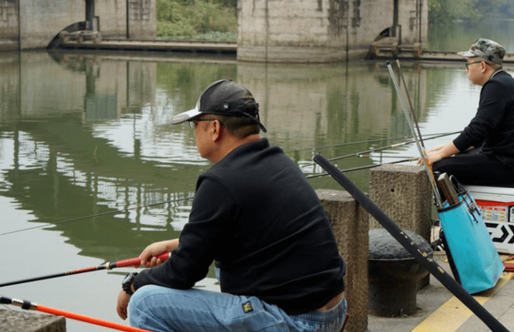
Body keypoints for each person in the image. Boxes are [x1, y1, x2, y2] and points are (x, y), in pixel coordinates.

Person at [115, 79, 347, 332]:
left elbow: (184, 272)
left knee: (144, 303)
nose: (193, 131)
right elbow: (236, 235)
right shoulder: (278, 161)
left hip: (295, 323)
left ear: (214, 128)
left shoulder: (219, 182)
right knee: (223, 263)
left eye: (195, 124)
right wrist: (175, 245)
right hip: (332, 314)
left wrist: (134, 283)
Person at [425, 38, 514, 186]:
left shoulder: (496, 86)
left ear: (482, 65)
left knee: (437, 168)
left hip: (513, 166)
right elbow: (484, 131)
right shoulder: (502, 82)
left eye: (467, 64)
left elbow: (478, 129)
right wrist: (447, 147)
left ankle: (452, 209)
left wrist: (440, 154)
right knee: (458, 155)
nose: (466, 69)